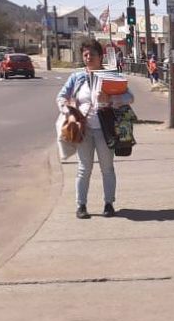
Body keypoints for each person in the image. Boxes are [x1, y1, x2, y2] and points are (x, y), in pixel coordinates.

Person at [56, 38, 134, 219]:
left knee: (107, 167)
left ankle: (109, 203)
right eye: (85, 54)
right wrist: (69, 109)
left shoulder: (112, 76)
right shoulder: (76, 77)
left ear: (101, 57)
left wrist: (111, 100)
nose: (88, 57)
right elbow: (61, 97)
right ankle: (81, 205)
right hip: (83, 129)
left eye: (92, 54)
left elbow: (129, 97)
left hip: (105, 128)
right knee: (84, 168)